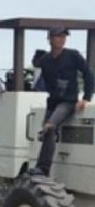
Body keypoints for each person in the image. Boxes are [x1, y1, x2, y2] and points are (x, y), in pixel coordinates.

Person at [30, 27, 94, 176]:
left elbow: (88, 74)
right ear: (50, 38)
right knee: (46, 132)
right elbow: (43, 81)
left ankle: (43, 168)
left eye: (64, 36)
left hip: (68, 101)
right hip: (53, 101)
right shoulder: (45, 60)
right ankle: (41, 168)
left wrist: (86, 98)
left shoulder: (73, 55)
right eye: (58, 36)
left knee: (50, 126)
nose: (62, 39)